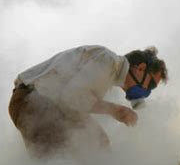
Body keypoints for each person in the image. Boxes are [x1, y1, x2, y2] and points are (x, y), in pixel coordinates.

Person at [9, 45, 168, 157]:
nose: (148, 92)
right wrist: (116, 111)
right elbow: (72, 97)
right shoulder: (109, 60)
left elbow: (72, 105)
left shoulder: (108, 72)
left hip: (40, 103)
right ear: (140, 68)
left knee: (99, 143)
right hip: (35, 101)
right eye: (151, 85)